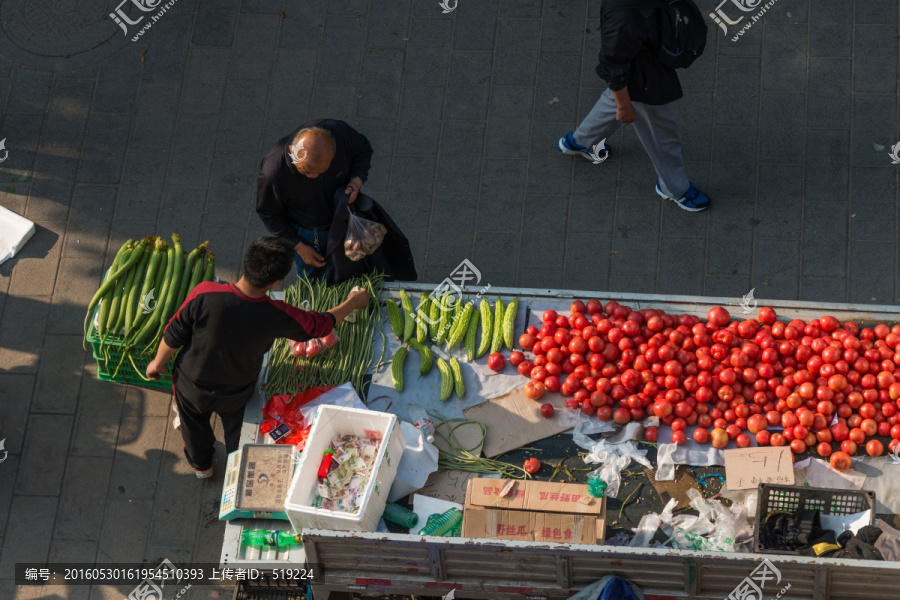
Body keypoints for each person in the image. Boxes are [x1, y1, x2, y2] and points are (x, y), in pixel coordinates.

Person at [146, 236, 370, 478]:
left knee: (193, 429)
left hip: (191, 386)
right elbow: (318, 325)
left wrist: (157, 364)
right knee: (237, 430)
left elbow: (174, 332)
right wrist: (352, 302)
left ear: (246, 262)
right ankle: (237, 468)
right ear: (275, 282)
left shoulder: (205, 293)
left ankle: (203, 467)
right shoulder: (275, 313)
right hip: (236, 389)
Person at [557, 0, 711, 212]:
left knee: (619, 98)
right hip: (644, 79)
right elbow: (613, 68)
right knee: (663, 135)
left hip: (640, 63)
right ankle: (674, 188)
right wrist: (624, 106)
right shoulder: (622, 20)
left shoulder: (626, 16)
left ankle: (579, 141)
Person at [256, 119, 374, 277]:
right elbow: (268, 213)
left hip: (347, 217)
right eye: (305, 171)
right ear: (292, 150)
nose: (313, 176)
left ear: (334, 151)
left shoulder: (340, 133)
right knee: (312, 278)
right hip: (310, 235)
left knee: (353, 270)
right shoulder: (273, 173)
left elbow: (363, 151)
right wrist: (299, 247)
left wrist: (356, 180)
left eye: (321, 170)